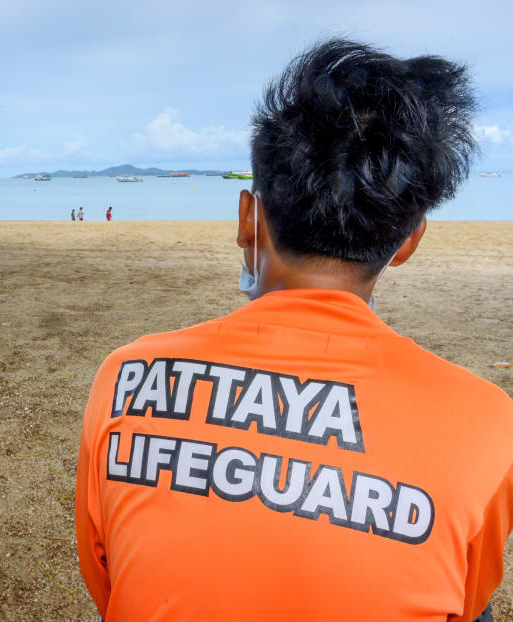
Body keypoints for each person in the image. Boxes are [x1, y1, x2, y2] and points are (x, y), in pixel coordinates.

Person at [76, 39, 512, 622]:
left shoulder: (127, 377)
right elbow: (467, 599)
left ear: (245, 220)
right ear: (410, 240)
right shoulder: (486, 422)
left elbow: (108, 584)